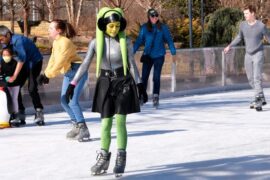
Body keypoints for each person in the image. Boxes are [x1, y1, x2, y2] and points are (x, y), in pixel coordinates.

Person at [65, 7, 148, 177]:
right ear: (103, 25)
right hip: (104, 83)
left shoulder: (126, 42)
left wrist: (140, 85)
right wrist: (72, 84)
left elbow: (131, 64)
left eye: (117, 26)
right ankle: (103, 157)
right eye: (111, 26)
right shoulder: (96, 43)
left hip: (123, 82)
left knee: (120, 122)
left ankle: (121, 156)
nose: (114, 29)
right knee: (105, 124)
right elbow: (85, 63)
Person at [37, 19, 90, 142]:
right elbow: (53, 59)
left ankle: (84, 129)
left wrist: (49, 75)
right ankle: (76, 125)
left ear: (59, 30)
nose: (48, 30)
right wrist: (45, 73)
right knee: (64, 100)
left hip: (78, 72)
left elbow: (60, 61)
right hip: (68, 73)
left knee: (72, 101)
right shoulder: (56, 42)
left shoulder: (65, 42)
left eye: (51, 28)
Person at [224, 5, 270, 110]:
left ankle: (258, 99)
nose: (245, 15)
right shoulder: (243, 25)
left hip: (258, 53)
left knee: (256, 77)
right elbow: (239, 37)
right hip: (248, 55)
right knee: (250, 79)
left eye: (247, 13)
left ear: (253, 13)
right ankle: (260, 96)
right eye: (244, 14)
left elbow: (268, 38)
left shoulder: (261, 26)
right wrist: (230, 46)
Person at [0, 25, 44, 125]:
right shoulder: (6, 42)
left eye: (1, 39)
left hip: (34, 63)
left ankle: (39, 112)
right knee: (15, 87)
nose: (0, 41)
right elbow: (2, 57)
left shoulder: (18, 40)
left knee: (32, 88)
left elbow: (21, 59)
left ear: (7, 35)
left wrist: (14, 75)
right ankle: (20, 112)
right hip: (24, 64)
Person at [133, 8, 176, 108]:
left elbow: (169, 40)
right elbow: (139, 41)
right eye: (152, 16)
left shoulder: (163, 27)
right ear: (149, 17)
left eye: (156, 16)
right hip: (147, 56)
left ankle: (156, 96)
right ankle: (142, 97)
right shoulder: (144, 28)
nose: (155, 18)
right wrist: (132, 52)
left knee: (156, 77)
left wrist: (173, 52)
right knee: (144, 77)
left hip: (159, 55)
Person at [0, 48, 26, 126]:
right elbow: (2, 73)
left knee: (15, 99)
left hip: (16, 84)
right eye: (4, 55)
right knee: (8, 100)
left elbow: (18, 75)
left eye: (7, 55)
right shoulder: (2, 62)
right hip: (6, 84)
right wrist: (4, 77)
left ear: (11, 55)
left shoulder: (15, 63)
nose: (5, 56)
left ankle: (17, 116)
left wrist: (10, 78)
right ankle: (10, 116)